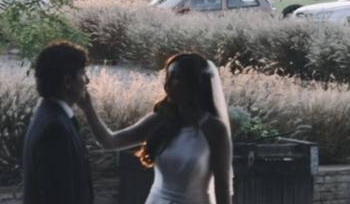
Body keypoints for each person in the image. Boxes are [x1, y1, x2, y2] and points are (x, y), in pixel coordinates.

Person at [79, 52, 232, 204]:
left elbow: (222, 187)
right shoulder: (160, 120)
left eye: (176, 77)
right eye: (167, 77)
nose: (167, 84)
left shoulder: (215, 129)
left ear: (194, 83)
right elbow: (110, 142)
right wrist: (88, 108)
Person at [22, 41, 93, 204]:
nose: (87, 81)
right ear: (68, 81)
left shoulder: (49, 116)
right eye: (83, 73)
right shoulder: (55, 129)